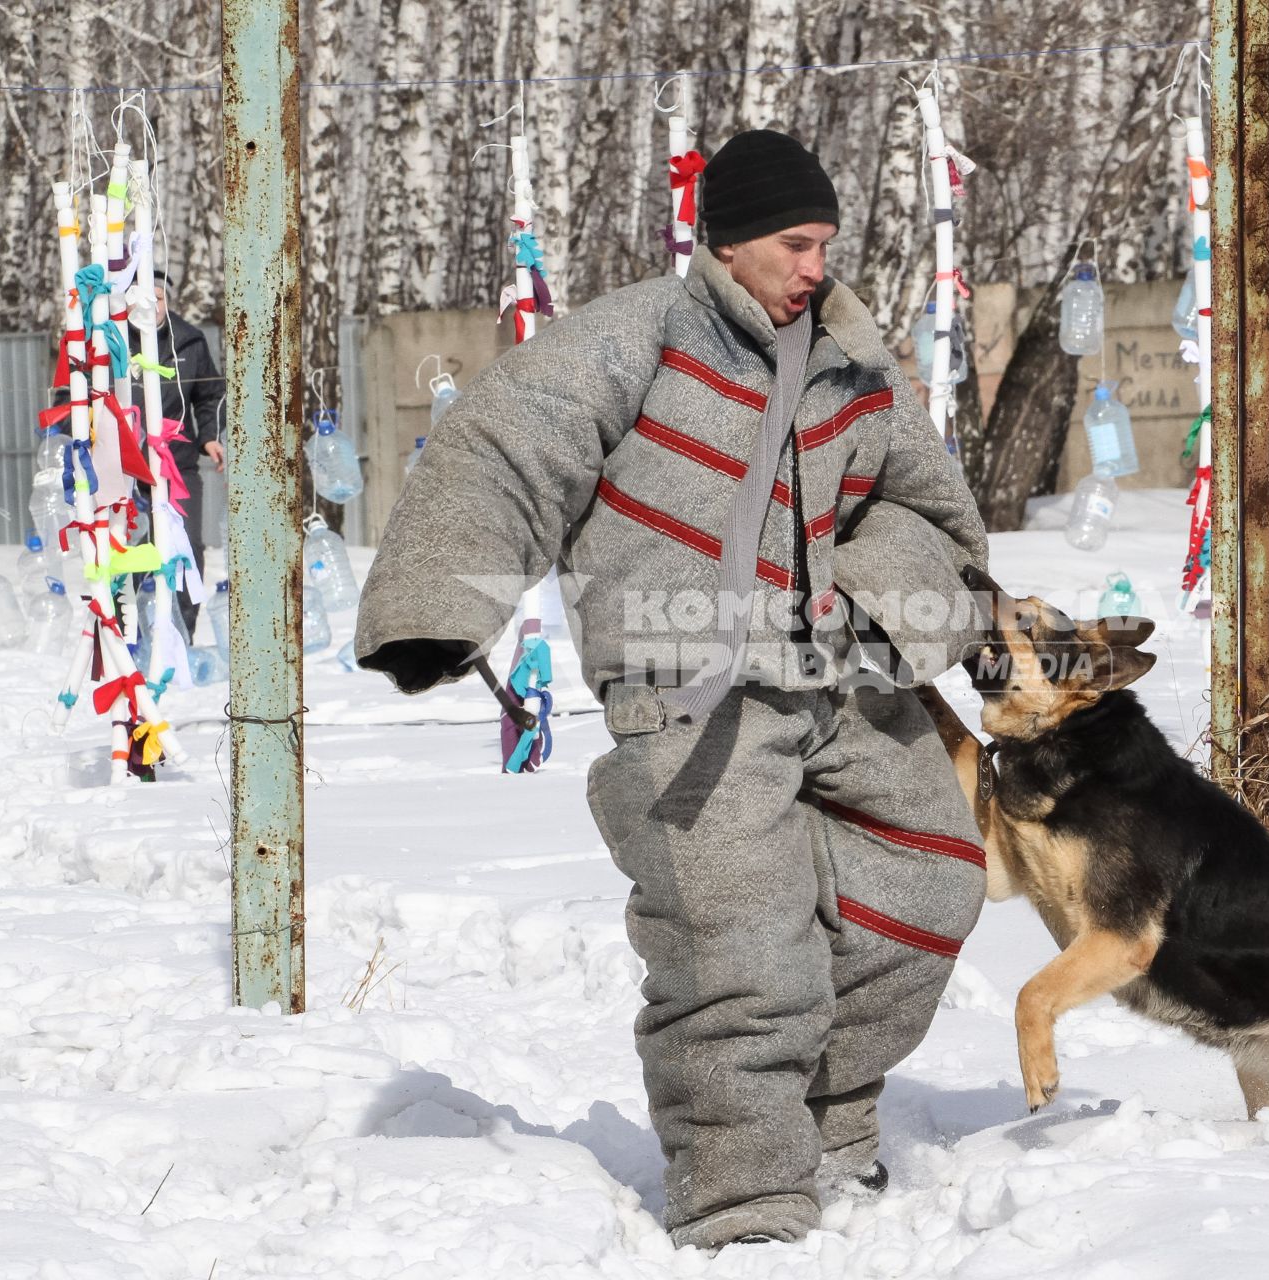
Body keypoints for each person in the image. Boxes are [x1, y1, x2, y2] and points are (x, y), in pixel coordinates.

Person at [355, 129, 989, 1250]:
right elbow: (503, 452)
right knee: (742, 953)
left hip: (838, 685)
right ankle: (745, 1202)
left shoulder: (854, 359)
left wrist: (886, 594)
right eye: (797, 242)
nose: (815, 265)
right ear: (733, 239)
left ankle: (828, 1129)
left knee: (929, 885)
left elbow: (933, 512)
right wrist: (436, 614)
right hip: (682, 700)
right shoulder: (630, 337)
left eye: (826, 244)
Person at [148, 271, 226, 636]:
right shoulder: (111, 340)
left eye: (158, 298)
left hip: (178, 466)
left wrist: (209, 436)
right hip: (126, 470)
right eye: (140, 299)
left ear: (168, 301)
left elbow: (209, 395)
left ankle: (183, 634)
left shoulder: (189, 342)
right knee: (137, 551)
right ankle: (132, 635)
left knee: (188, 546)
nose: (149, 307)